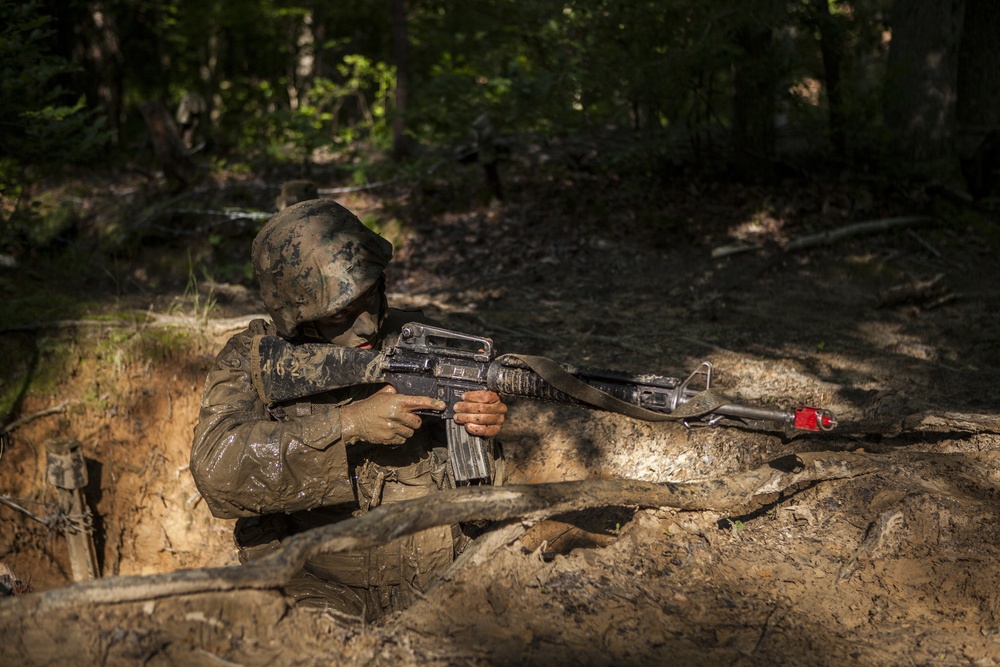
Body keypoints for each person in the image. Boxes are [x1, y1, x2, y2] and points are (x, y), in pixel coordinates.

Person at [190, 199, 507, 621]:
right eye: (340, 315)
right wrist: (349, 425)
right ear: (296, 319)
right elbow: (217, 469)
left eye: (369, 298)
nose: (366, 326)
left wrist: (482, 422)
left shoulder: (420, 343)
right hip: (316, 588)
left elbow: (480, 489)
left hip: (443, 580)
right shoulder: (254, 362)